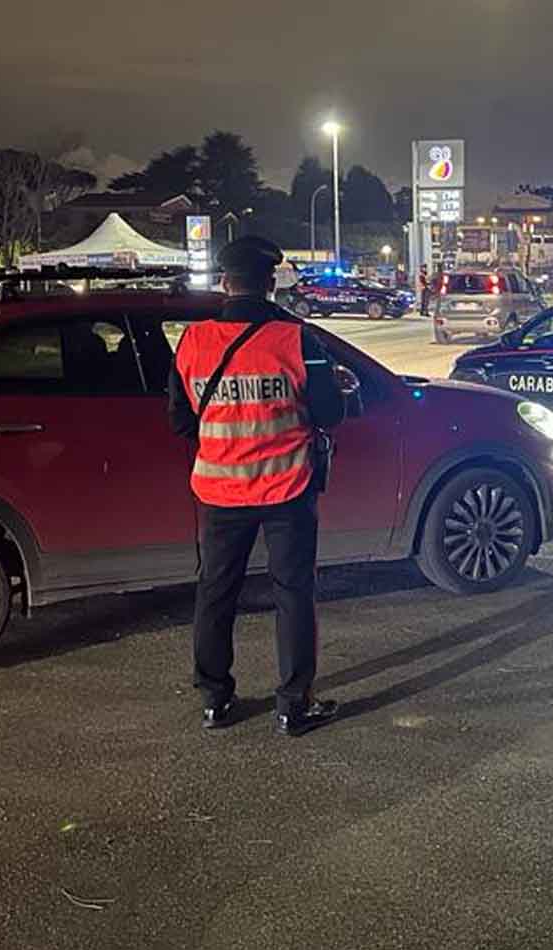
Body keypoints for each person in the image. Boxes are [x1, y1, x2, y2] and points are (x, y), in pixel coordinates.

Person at [168, 235, 347, 736]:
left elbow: (180, 420)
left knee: (215, 592)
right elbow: (330, 412)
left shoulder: (193, 341)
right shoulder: (296, 340)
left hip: (219, 492)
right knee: (293, 593)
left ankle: (214, 699)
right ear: (270, 283)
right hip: (287, 489)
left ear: (225, 283)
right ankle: (293, 704)